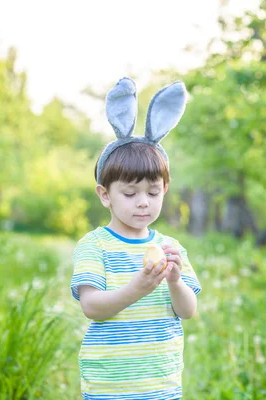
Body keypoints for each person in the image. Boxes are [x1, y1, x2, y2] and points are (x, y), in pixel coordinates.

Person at [70, 77, 202, 399]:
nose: (143, 201)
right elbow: (92, 306)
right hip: (110, 384)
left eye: (153, 192)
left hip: (161, 383)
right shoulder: (95, 245)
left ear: (164, 190)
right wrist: (137, 288)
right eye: (130, 193)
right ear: (105, 195)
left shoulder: (171, 248)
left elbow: (188, 310)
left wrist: (175, 282)